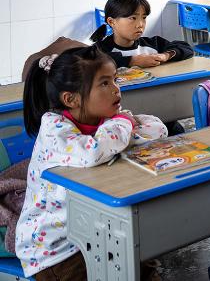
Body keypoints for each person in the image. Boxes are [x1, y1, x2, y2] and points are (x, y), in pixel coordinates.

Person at [16, 46, 167, 280]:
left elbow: (158, 129)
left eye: (115, 79)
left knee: (141, 267)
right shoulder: (54, 129)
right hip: (56, 251)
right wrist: (123, 127)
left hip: (97, 233)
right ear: (71, 99)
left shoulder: (106, 121)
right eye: (105, 83)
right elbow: (93, 152)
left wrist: (122, 127)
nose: (116, 88)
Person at [90, 0, 194, 68]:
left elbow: (186, 48)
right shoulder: (100, 50)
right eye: (132, 18)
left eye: (144, 18)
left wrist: (166, 55)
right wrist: (131, 61)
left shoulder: (152, 44)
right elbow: (90, 60)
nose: (140, 25)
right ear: (112, 22)